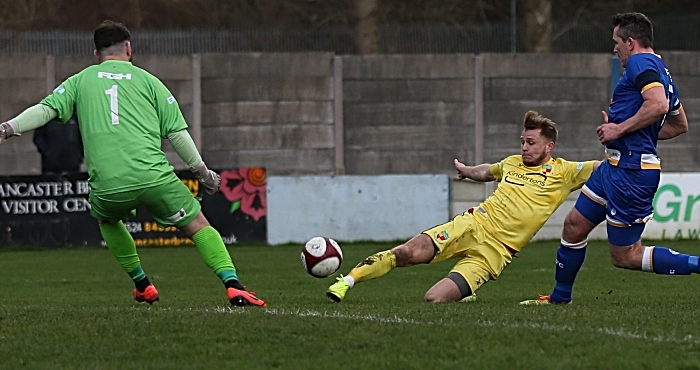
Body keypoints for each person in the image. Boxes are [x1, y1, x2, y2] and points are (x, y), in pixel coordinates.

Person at [0, 20, 265, 307]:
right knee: (198, 226)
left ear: (96, 54)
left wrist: (8, 128)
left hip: (108, 185)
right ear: (128, 48)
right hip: (154, 178)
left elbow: (46, 109)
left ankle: (142, 284)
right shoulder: (149, 81)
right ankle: (233, 285)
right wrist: (203, 173)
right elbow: (177, 134)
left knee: (107, 219)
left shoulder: (80, 80)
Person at [326, 111, 602, 303]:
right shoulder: (512, 163)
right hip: (472, 225)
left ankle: (465, 291)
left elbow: (603, 167)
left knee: (434, 299)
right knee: (406, 253)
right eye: (522, 142)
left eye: (531, 143)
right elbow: (487, 172)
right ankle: (347, 281)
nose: (524, 148)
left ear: (549, 146)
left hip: (496, 252)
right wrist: (467, 170)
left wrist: (616, 140)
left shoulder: (565, 172)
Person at [521, 13, 690, 306]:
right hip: (613, 167)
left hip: (632, 174)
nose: (614, 49)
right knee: (574, 225)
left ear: (630, 41)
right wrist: (628, 132)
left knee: (626, 256)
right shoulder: (660, 69)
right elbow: (678, 124)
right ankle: (560, 298)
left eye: (616, 42)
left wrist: (619, 128)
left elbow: (659, 105)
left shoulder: (641, 62)